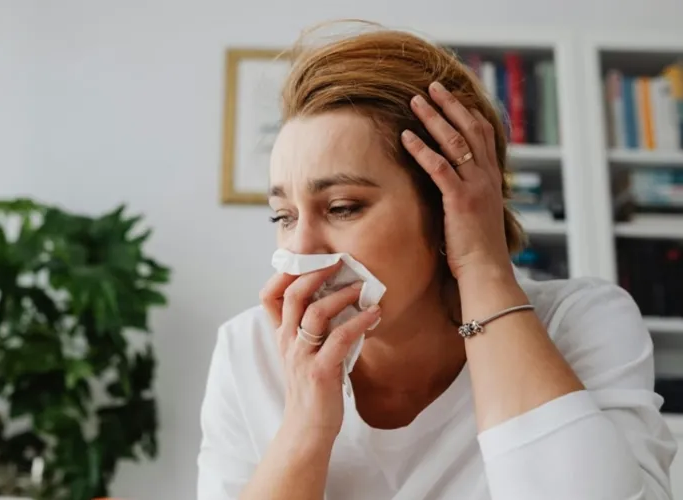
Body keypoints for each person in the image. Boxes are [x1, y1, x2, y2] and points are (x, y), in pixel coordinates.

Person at [197, 24, 677, 500]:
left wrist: (483, 265)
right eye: (283, 215)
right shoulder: (247, 350)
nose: (301, 249)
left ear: (449, 206)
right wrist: (305, 425)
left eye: (342, 207)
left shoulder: (579, 322)